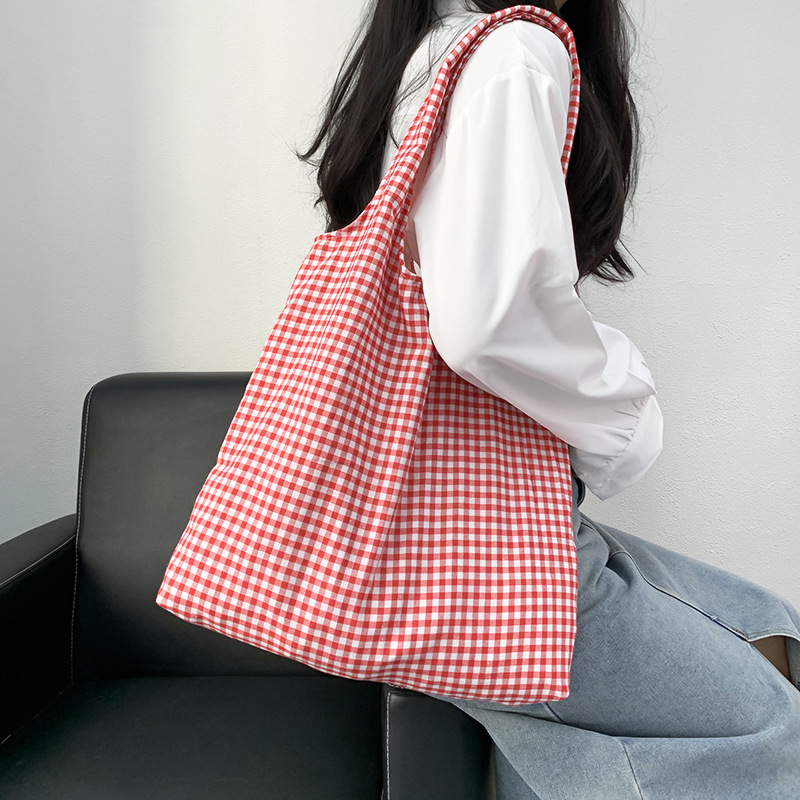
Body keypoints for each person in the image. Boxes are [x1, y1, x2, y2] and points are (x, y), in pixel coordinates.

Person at [297, 0, 800, 796]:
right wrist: (626, 410)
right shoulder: (516, 52)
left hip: (431, 546)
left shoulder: (425, 54)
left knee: (764, 626)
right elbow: (485, 321)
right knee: (775, 722)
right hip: (479, 559)